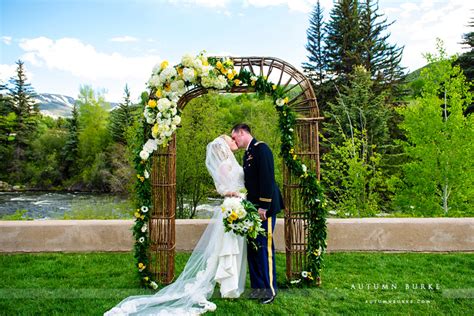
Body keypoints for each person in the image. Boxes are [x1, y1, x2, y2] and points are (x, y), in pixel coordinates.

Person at [104, 135, 246, 315]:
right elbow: (227, 187)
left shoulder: (227, 163)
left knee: (226, 249)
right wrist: (234, 193)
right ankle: (229, 287)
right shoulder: (225, 165)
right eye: (230, 140)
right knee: (227, 248)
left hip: (233, 205)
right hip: (233, 206)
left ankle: (229, 285)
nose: (234, 142)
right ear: (224, 147)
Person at [231, 123, 284, 305]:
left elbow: (267, 178)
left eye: (234, 137)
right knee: (253, 248)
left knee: (264, 248)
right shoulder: (247, 154)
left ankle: (269, 291)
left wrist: (263, 206)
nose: (234, 141)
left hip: (264, 209)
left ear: (242, 132)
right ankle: (257, 289)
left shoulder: (261, 148)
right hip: (252, 209)